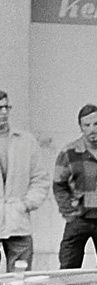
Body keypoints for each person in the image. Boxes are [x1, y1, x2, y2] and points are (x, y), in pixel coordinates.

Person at [52, 104, 97, 268]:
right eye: (87, 125)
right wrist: (69, 213)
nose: (92, 129)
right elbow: (59, 185)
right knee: (68, 267)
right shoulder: (69, 152)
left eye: (96, 124)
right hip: (78, 219)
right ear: (81, 127)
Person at [0, 90, 50, 271]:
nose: (3, 112)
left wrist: (28, 203)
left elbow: (40, 177)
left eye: (6, 107)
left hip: (18, 219)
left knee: (19, 279)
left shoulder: (26, 140)